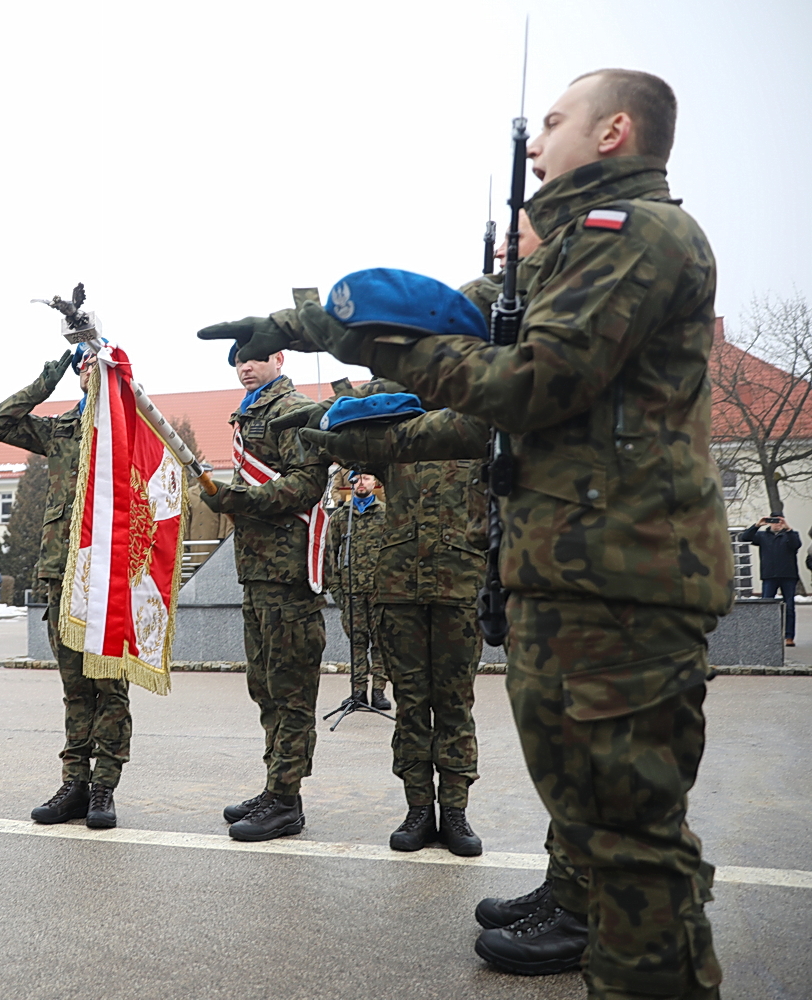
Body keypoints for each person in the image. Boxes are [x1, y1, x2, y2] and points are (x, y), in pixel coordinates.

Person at [216, 68, 729, 998]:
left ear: (615, 131)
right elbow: (440, 307)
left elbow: (528, 382)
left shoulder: (638, 237)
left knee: (633, 841)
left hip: (623, 574)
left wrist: (379, 363)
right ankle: (577, 906)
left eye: (558, 122)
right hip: (570, 566)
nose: (537, 145)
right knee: (587, 800)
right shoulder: (572, 247)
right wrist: (300, 325)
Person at [326, 381, 489, 858]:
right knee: (412, 703)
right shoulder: (398, 434)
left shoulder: (477, 430)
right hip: (398, 592)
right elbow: (346, 429)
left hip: (459, 589)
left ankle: (455, 812)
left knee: (455, 704)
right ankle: (419, 808)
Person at [0, 345, 130, 828]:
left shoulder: (130, 426)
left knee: (109, 685)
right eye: (83, 363)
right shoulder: (62, 428)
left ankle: (104, 788)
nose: (89, 370)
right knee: (74, 688)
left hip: (109, 573)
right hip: (60, 571)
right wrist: (50, 374)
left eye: (97, 362)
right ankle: (75, 782)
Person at [202, 348, 331, 842]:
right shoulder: (251, 413)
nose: (245, 367)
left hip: (287, 576)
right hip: (257, 573)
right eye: (238, 362)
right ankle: (276, 786)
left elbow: (305, 485)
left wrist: (240, 499)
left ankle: (286, 801)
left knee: (291, 689)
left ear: (279, 358)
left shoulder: (293, 409)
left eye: (256, 358)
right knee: (266, 687)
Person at [324, 470, 390, 710]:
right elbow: (330, 555)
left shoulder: (386, 514)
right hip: (351, 591)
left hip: (379, 590)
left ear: (375, 482)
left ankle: (379, 691)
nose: (361, 483)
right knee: (357, 643)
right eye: (357, 479)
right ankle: (358, 690)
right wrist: (336, 589)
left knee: (380, 642)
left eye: (366, 478)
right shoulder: (342, 516)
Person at [740, 513, 800, 646]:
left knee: (789, 607)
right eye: (774, 521)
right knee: (766, 606)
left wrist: (788, 528)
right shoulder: (762, 536)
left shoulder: (790, 535)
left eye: (779, 521)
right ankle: (767, 635)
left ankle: (789, 637)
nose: (777, 524)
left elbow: (796, 545)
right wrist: (757, 525)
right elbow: (745, 538)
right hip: (769, 576)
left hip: (788, 576)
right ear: (769, 522)